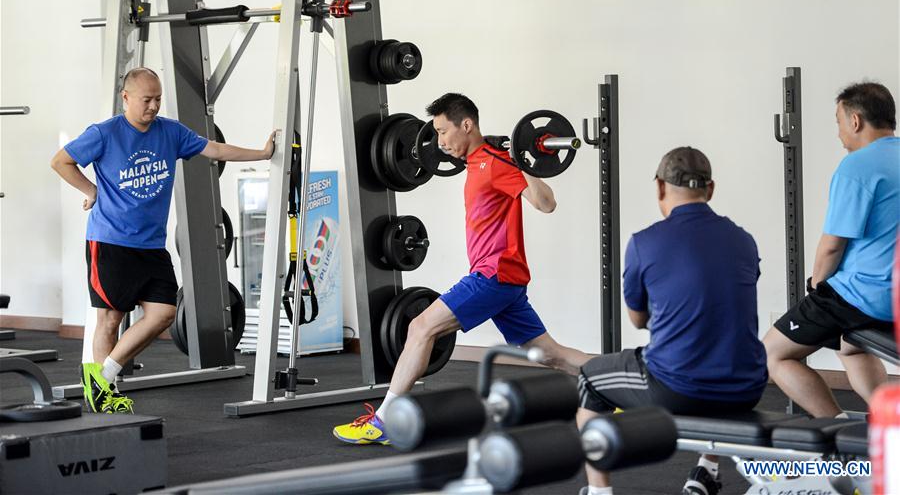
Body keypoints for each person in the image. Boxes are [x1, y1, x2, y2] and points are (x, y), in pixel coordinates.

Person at [332, 92, 591, 444]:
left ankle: (385, 420)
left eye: (442, 131)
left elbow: (546, 204)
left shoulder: (497, 162)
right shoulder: (478, 161)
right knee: (552, 355)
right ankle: (624, 386)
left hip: (493, 275)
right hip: (505, 282)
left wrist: (521, 161)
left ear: (466, 125)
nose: (439, 142)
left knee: (421, 327)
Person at [50, 67, 275, 414]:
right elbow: (61, 161)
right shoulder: (104, 133)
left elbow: (213, 148)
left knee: (163, 314)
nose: (153, 106)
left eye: (157, 99)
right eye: (146, 100)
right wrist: (91, 190)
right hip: (110, 241)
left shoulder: (169, 132)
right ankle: (103, 396)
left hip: (151, 246)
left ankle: (101, 377)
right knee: (109, 318)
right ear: (126, 98)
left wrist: (261, 155)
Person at [576, 147, 768, 495]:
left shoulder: (644, 242)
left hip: (676, 390)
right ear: (710, 190)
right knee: (706, 353)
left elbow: (638, 319)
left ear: (660, 188)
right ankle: (706, 471)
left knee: (590, 378)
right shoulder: (744, 240)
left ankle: (599, 492)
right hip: (747, 388)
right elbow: (725, 305)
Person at [764, 82, 898, 418]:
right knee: (849, 348)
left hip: (862, 296)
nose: (839, 134)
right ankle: (892, 421)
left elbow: (831, 247)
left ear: (855, 121)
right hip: (894, 298)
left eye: (838, 123)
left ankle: (838, 435)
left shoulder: (856, 167)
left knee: (771, 355)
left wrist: (816, 288)